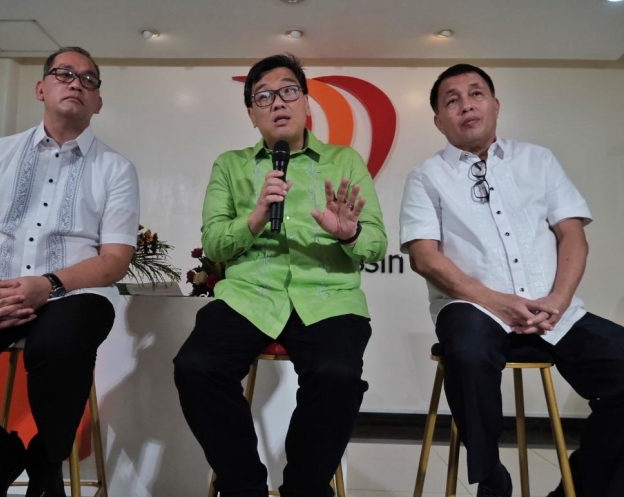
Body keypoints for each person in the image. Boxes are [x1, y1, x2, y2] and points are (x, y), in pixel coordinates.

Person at [399, 63, 624, 497]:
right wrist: (497, 301)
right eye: (452, 100)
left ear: (495, 105)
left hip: (552, 308)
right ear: (438, 121)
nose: (466, 105)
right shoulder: (426, 177)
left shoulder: (537, 160)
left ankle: (583, 488)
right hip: (473, 308)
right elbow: (425, 258)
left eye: (476, 93)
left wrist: (558, 300)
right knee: (464, 349)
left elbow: (572, 235)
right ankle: (491, 481)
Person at [0, 47, 140, 497]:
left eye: (89, 78)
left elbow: (115, 258)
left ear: (98, 101)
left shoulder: (116, 169)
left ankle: (47, 459)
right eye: (64, 73)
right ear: (41, 87)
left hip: (74, 293)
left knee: (60, 345)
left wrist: (50, 284)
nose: (76, 83)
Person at [174, 53, 387, 497]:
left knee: (337, 374)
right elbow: (214, 244)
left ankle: (305, 489)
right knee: (196, 367)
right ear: (252, 114)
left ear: (307, 102)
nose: (278, 103)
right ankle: (243, 486)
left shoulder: (344, 161)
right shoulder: (231, 165)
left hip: (328, 295)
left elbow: (376, 245)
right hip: (250, 294)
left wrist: (348, 233)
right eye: (264, 96)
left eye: (289, 91)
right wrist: (254, 217)